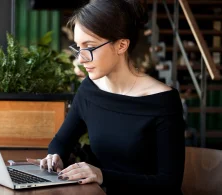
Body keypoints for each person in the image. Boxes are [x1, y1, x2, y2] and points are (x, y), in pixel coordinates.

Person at [39, 0, 186, 194]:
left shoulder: (163, 101)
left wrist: (102, 175)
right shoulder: (89, 90)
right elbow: (61, 142)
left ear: (121, 45)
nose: (80, 58)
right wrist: (54, 156)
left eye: (89, 47)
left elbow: (169, 183)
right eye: (78, 47)